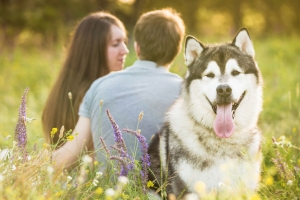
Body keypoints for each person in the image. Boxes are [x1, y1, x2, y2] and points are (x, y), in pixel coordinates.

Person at [53, 8, 185, 169]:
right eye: (116, 43)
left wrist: (25, 167)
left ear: (137, 47)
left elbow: (68, 154)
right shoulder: (187, 92)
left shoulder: (98, 86)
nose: (124, 49)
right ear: (177, 51)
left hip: (109, 191)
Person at [42, 11, 129, 148]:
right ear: (94, 50)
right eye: (116, 44)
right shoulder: (93, 96)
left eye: (124, 42)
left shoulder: (65, 89)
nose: (125, 50)